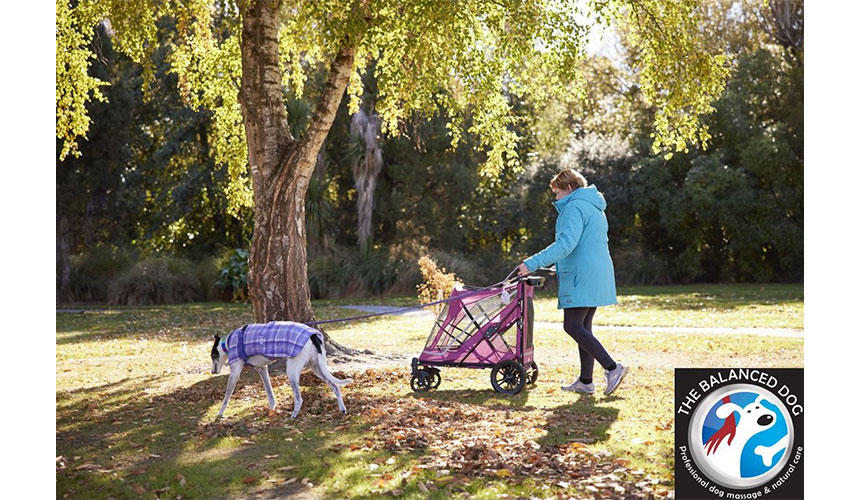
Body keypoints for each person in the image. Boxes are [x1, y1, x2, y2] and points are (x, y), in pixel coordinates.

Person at [517, 168, 628, 395]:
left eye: (557, 193)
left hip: (582, 275)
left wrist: (532, 263)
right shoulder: (594, 206)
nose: (555, 198)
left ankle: (612, 368)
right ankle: (586, 381)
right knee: (583, 327)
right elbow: (584, 244)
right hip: (596, 272)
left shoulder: (573, 207)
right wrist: (559, 265)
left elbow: (566, 244)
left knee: (573, 326)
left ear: (568, 189)